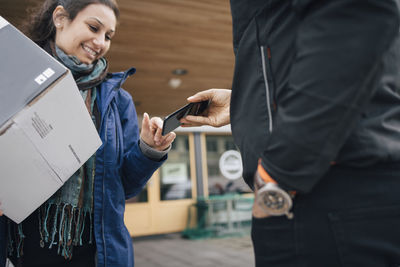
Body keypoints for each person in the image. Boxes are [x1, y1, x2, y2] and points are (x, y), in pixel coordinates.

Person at [182, 1, 400, 266]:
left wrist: (278, 177)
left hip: (323, 194)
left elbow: (358, 14)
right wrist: (243, 102)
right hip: (327, 192)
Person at [0, 0, 176, 266]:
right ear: (60, 18)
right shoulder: (14, 72)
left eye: (108, 36)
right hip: (22, 245)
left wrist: (148, 150)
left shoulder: (119, 100)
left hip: (93, 252)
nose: (100, 41)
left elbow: (125, 186)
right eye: (93, 27)